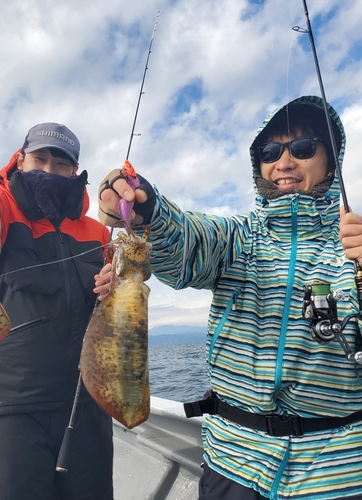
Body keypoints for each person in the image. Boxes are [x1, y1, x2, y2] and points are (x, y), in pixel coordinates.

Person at [98, 95, 362, 500]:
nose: (285, 162)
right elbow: (186, 239)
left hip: (335, 474)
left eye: (304, 147)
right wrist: (148, 208)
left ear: (331, 160)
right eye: (271, 152)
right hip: (233, 463)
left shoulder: (354, 249)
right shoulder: (236, 239)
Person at [0, 122, 114, 500]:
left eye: (60, 163)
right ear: (20, 160)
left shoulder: (98, 232)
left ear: (75, 172)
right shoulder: (4, 207)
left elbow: (111, 303)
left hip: (86, 406)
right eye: (38, 159)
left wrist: (114, 283)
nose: (47, 170)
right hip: (8, 408)